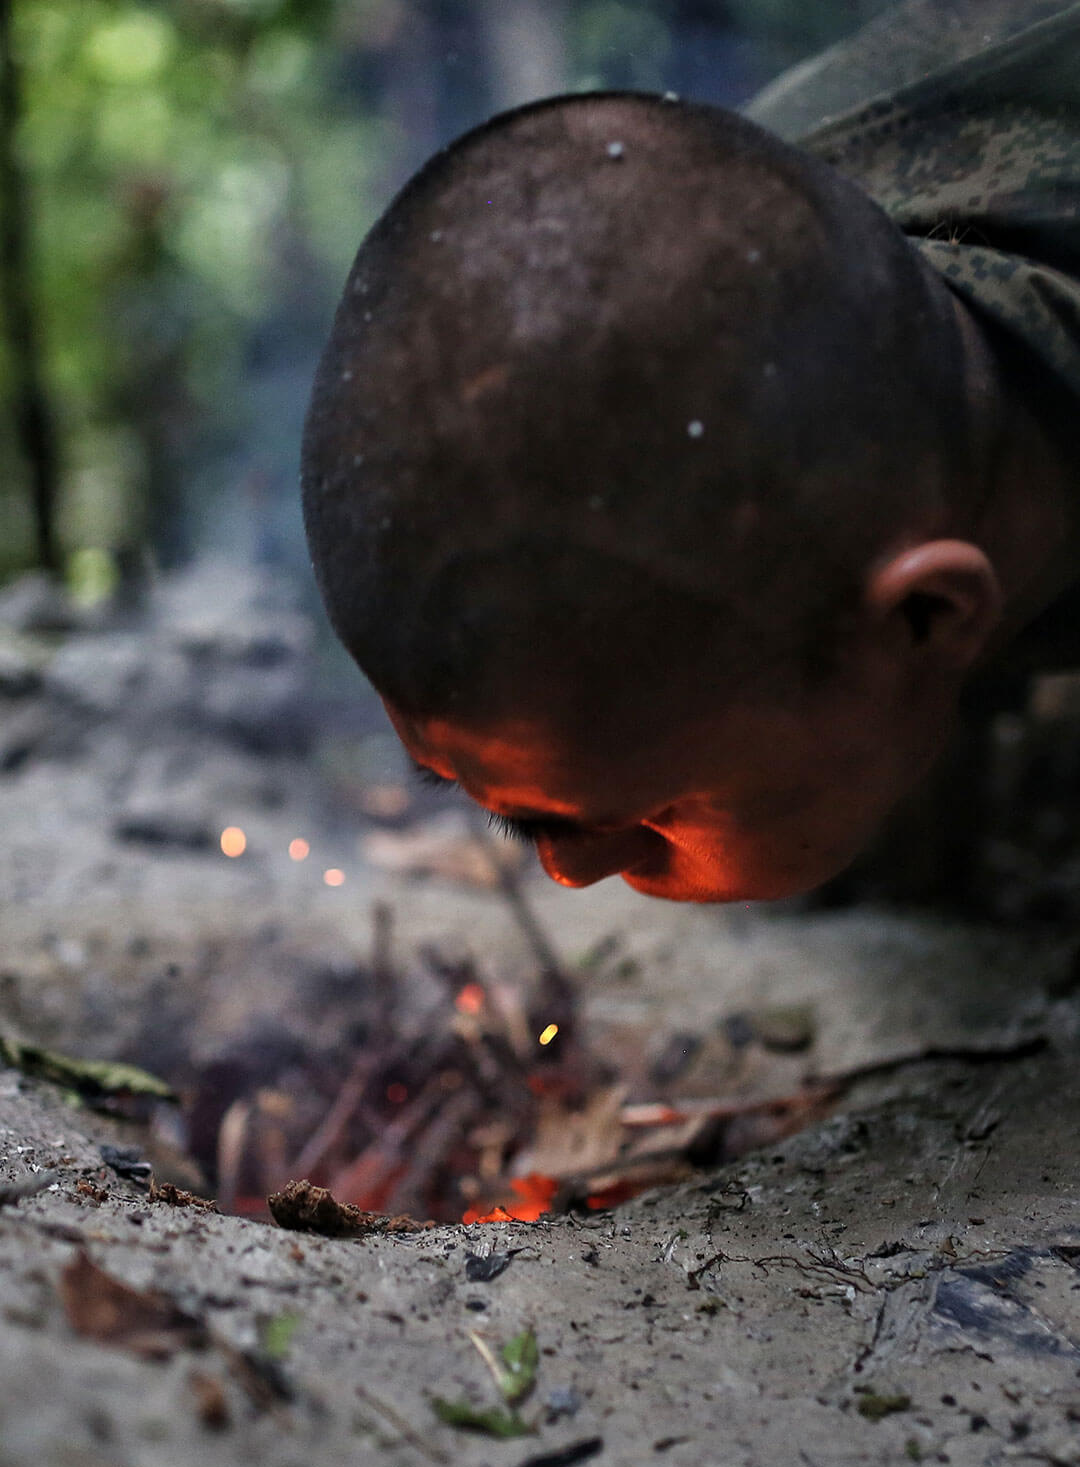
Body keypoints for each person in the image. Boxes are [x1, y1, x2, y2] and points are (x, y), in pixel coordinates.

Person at [302, 0, 1080, 903]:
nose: (569, 874)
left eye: (638, 813)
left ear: (928, 619)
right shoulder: (750, 209)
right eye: (521, 816)